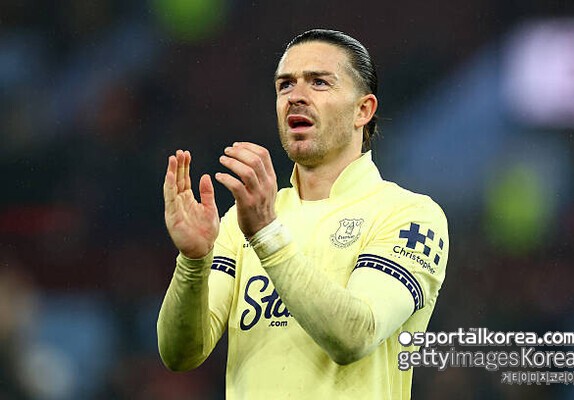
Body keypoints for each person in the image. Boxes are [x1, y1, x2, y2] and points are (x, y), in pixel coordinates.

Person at [157, 29, 449, 399]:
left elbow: (356, 336)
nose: (295, 96)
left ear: (363, 110)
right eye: (285, 85)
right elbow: (180, 355)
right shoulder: (240, 221)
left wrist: (266, 234)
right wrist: (193, 261)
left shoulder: (409, 216)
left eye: (319, 82)